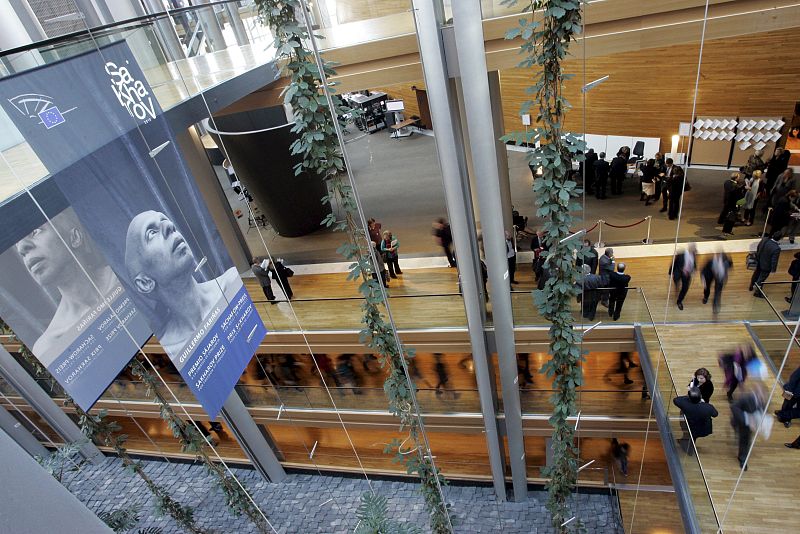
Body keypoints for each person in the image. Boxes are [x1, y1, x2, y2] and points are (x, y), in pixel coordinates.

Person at [15, 209, 122, 366]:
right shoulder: (48, 346)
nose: (22, 248)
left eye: (34, 232)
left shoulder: (124, 274)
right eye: (20, 249)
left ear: (75, 237)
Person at [124, 210, 240, 354]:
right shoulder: (170, 351)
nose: (169, 226)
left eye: (165, 220)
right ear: (145, 282)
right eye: (151, 233)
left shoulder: (233, 283)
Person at [730, 383, 766, 470]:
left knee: (745, 441)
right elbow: (734, 407)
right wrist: (746, 419)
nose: (763, 395)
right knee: (743, 439)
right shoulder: (746, 398)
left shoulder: (763, 401)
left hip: (750, 426)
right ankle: (742, 457)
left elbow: (762, 410)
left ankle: (742, 457)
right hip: (740, 422)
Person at [673, 386, 718, 453]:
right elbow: (715, 414)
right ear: (701, 396)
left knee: (690, 436)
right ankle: (689, 449)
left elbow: (676, 400)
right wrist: (703, 403)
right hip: (702, 427)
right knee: (692, 437)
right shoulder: (708, 407)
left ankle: (688, 447)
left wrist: (687, 397)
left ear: (689, 397)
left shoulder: (684, 403)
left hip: (688, 425)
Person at [749, 231, 781, 297]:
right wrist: (773, 270)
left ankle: (751, 286)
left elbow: (758, 248)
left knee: (756, 274)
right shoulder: (776, 248)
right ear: (779, 238)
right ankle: (757, 293)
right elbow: (774, 260)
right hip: (766, 266)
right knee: (761, 279)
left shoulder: (765, 240)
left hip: (759, 261)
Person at [670, 243, 697, 311]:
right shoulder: (681, 254)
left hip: (687, 274)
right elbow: (674, 263)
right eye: (693, 248)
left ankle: (679, 301)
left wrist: (694, 270)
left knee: (685, 288)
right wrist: (670, 272)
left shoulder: (694, 255)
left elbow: (694, 263)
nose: (695, 249)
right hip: (678, 272)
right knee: (676, 283)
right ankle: (676, 287)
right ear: (689, 248)